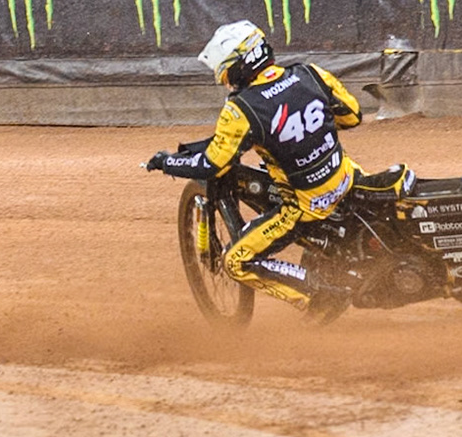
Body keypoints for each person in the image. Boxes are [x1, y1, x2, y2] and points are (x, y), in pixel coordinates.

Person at [146, 20, 362, 321]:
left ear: (241, 66)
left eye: (225, 72)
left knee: (236, 262)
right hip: (346, 177)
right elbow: (352, 116)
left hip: (304, 207)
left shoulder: (242, 109)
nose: (225, 81)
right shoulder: (310, 73)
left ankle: (319, 295)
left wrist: (166, 162)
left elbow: (211, 165)